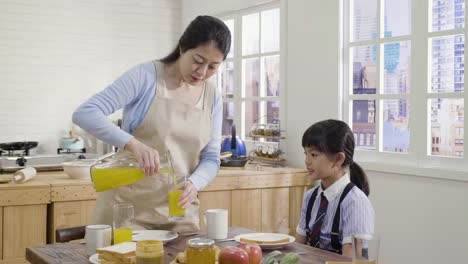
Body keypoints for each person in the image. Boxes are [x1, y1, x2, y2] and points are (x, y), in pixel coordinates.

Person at [72, 15, 231, 233]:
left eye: (213, 67)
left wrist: (195, 184)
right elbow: (85, 113)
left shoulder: (213, 96)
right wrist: (133, 144)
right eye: (198, 60)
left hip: (179, 215)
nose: (202, 72)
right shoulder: (146, 77)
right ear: (183, 47)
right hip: (126, 213)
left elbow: (211, 157)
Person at [295, 119, 375, 257]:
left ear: (338, 159)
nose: (307, 161)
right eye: (305, 153)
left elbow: (351, 260)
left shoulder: (355, 202)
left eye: (313, 155)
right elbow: (297, 250)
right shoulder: (310, 197)